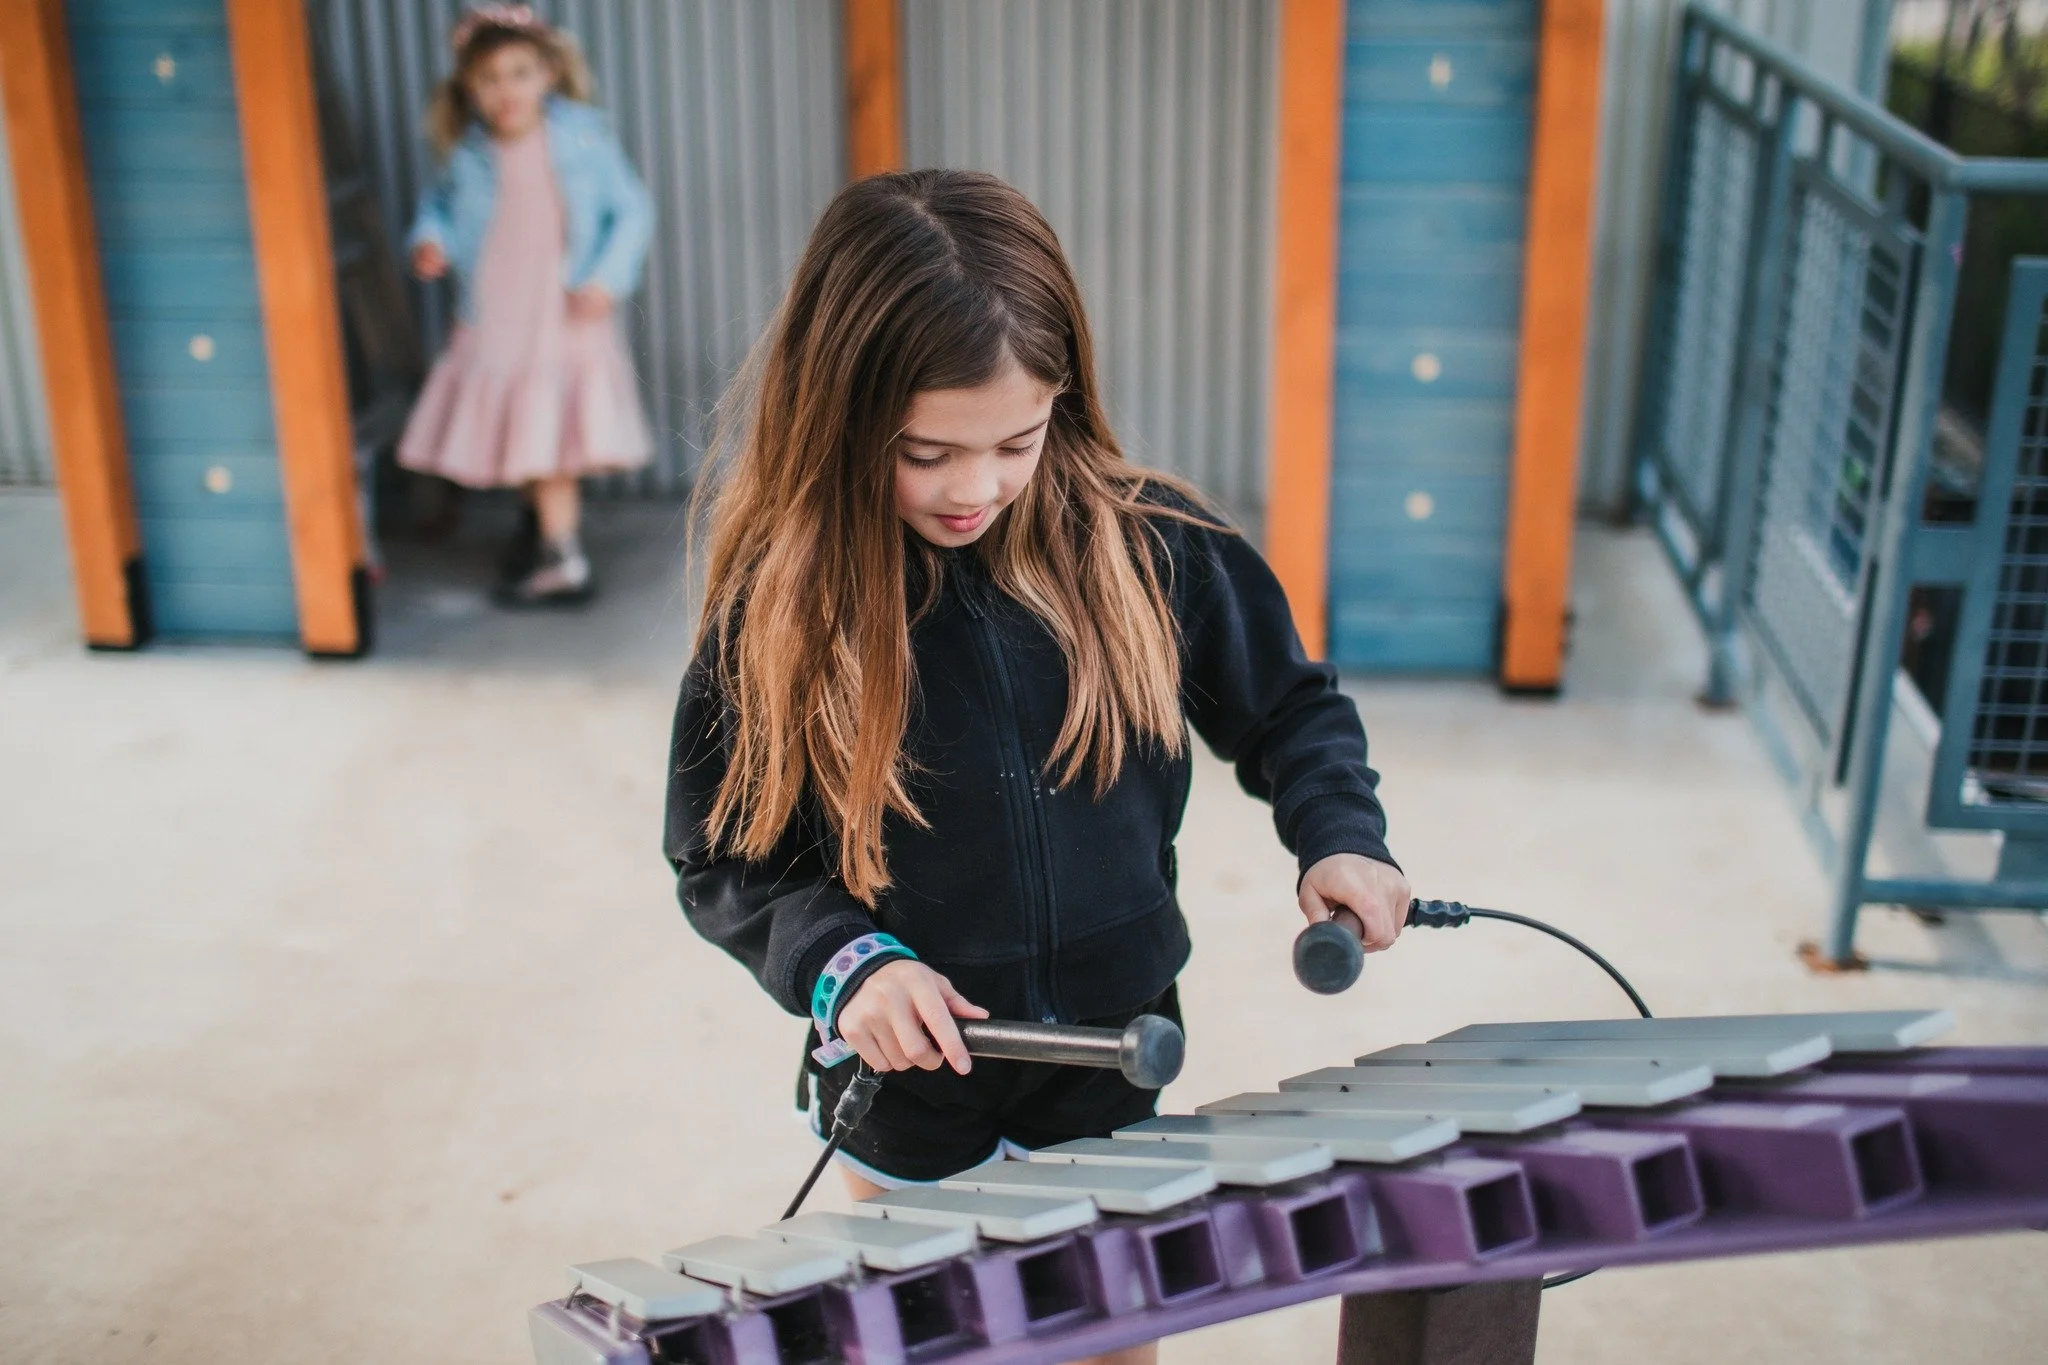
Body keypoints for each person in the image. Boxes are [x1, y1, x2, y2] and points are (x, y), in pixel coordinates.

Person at [664, 171, 1408, 1365]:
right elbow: (726, 856)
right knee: (933, 1337)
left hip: (1115, 1052)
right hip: (909, 1072)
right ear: (839, 416)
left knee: (1112, 1336)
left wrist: (1338, 832)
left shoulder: (1152, 544)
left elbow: (1288, 707)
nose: (973, 489)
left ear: (1065, 399)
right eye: (924, 453)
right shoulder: (778, 607)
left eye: (1015, 441)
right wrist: (846, 967)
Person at [398, 4, 655, 607]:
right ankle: (541, 528)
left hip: (562, 310)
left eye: (519, 73)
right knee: (520, 427)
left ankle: (563, 558)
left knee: (548, 435)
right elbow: (436, 209)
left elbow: (633, 211)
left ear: (547, 74)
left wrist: (606, 278)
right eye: (488, 79)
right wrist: (428, 241)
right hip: (497, 310)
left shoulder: (581, 136)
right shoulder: (468, 153)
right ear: (469, 87)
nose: (505, 90)